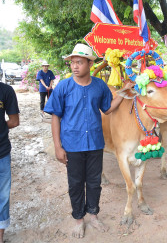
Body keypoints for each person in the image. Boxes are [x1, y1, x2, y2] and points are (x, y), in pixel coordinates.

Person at [44, 43, 132, 239]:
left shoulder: (99, 85)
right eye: (72, 63)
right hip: (72, 144)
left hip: (94, 142)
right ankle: (78, 220)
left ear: (90, 63)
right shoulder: (64, 87)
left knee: (94, 182)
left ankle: (93, 215)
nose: (75, 66)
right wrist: (58, 147)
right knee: (75, 183)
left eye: (79, 62)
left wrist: (124, 91)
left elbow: (107, 109)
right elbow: (55, 117)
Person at [0, 82, 20, 243]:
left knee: (2, 196)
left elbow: (14, 121)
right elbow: (13, 122)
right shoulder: (5, 90)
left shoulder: (6, 90)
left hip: (2, 153)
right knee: (2, 197)